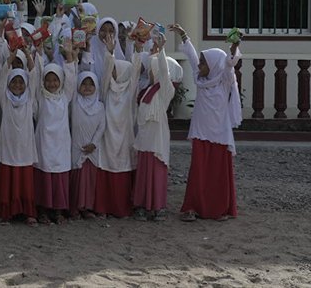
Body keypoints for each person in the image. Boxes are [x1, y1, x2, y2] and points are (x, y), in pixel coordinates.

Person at [172, 24, 241, 222]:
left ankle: (218, 210)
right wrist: (184, 35)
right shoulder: (201, 79)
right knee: (199, 173)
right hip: (201, 133)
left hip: (219, 135)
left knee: (218, 174)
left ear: (213, 65)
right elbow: (193, 57)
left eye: (203, 63)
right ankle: (193, 208)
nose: (199, 66)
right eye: (201, 63)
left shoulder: (224, 79)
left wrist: (234, 46)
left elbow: (229, 63)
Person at [132, 34, 179, 222]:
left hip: (158, 140)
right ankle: (142, 205)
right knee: (144, 173)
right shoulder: (145, 92)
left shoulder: (165, 91)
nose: (151, 73)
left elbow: (165, 73)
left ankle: (158, 206)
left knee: (157, 173)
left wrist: (161, 51)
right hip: (144, 140)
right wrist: (138, 48)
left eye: (154, 70)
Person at [0, 34, 39, 225]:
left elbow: (34, 73)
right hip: (9, 145)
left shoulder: (29, 99)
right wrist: (11, 56)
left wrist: (27, 52)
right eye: (14, 82)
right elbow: (3, 75)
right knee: (8, 179)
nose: (18, 85)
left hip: (25, 146)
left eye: (21, 82)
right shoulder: (5, 99)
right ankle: (6, 213)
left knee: (25, 180)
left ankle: (28, 212)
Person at [95, 33, 141, 219]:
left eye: (116, 69)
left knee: (122, 169)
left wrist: (137, 49)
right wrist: (110, 54)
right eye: (113, 68)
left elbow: (136, 71)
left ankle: (122, 208)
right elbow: (106, 72)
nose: (113, 72)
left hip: (124, 137)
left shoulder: (130, 91)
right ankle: (103, 207)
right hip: (107, 136)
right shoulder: (107, 89)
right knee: (105, 167)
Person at [33, 43, 77, 225]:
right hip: (43, 144)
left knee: (58, 177)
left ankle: (58, 211)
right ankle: (43, 211)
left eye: (55, 80)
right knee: (44, 177)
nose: (51, 84)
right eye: (48, 80)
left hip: (60, 144)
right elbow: (34, 79)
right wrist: (40, 55)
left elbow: (72, 80)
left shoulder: (64, 96)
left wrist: (69, 58)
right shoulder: (40, 97)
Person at [69, 72, 104, 220]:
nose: (87, 87)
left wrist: (94, 144)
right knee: (76, 178)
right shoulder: (75, 102)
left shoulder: (100, 106)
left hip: (92, 149)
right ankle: (74, 208)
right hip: (77, 145)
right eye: (84, 83)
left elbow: (102, 127)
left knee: (89, 179)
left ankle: (87, 207)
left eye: (91, 84)